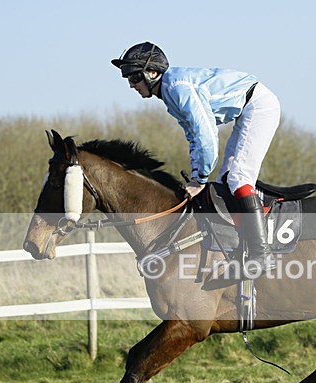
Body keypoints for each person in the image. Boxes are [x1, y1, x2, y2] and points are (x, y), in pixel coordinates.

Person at [111, 42, 280, 275]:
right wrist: (195, 176)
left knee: (239, 179)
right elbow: (193, 137)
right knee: (225, 180)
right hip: (246, 110)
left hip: (258, 106)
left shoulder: (178, 88)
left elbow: (206, 134)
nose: (131, 84)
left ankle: (262, 254)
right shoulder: (170, 93)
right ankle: (241, 247)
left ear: (152, 72)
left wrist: (200, 179)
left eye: (133, 77)